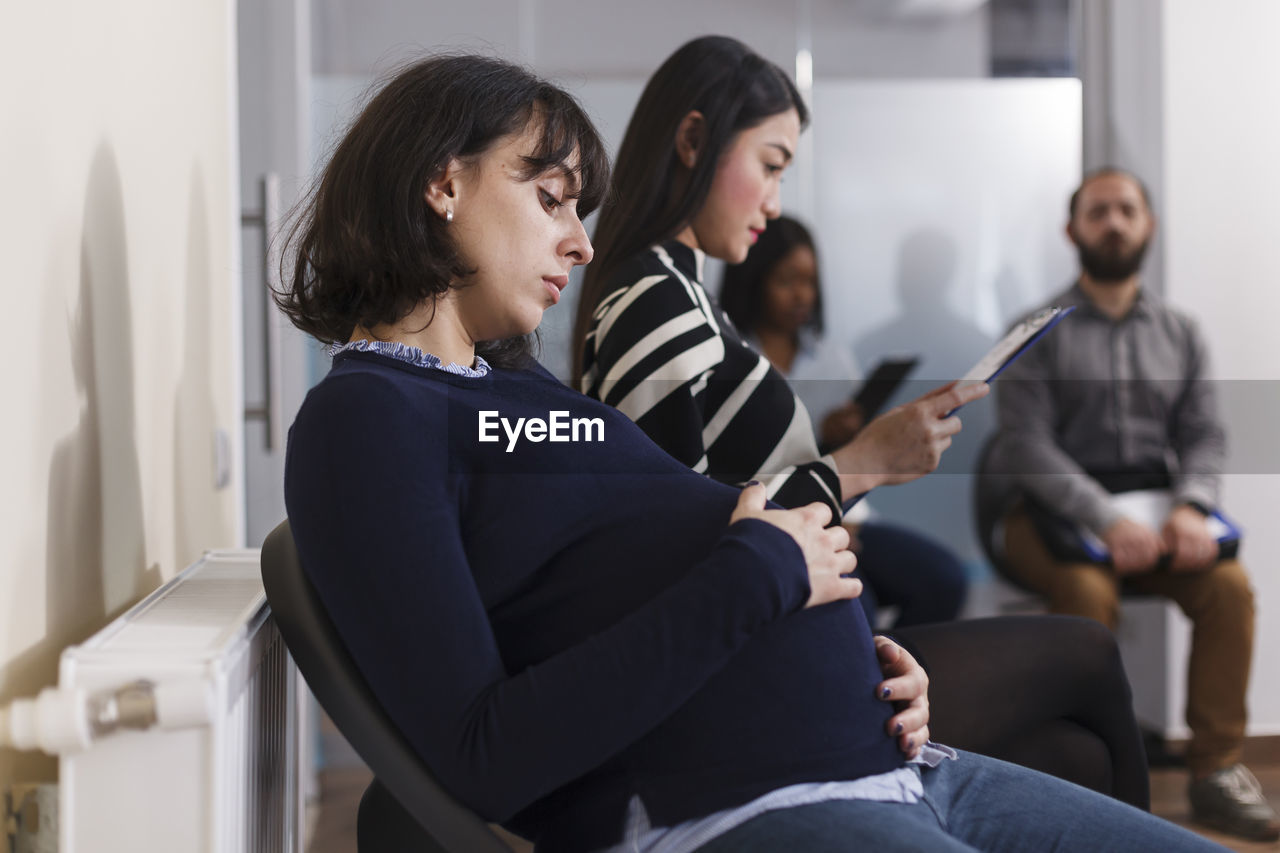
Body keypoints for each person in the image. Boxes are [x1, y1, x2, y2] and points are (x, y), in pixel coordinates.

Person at [278, 54, 1220, 852]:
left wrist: (859, 665)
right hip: (745, 801)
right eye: (551, 196)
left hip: (889, 762)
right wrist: (762, 568)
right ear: (442, 183)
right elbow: (482, 753)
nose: (579, 239)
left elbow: (640, 572)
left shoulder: (511, 394)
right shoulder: (367, 420)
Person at [569, 35, 1150, 808]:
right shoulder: (656, 302)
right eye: (771, 164)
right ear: (693, 141)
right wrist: (860, 464)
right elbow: (681, 551)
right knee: (1086, 655)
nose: (775, 201)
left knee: (1073, 752)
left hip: (796, 650)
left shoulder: (682, 296)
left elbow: (714, 506)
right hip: (760, 687)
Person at [976, 167, 1279, 843]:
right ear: (1072, 230)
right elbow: (1025, 444)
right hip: (1048, 514)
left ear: (1148, 225)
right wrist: (1102, 517)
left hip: (1156, 513)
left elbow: (1205, 434)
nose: (1113, 222)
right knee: (1087, 588)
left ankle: (1216, 770)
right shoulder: (1035, 330)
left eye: (1126, 210)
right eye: (1097, 212)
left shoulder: (1183, 332)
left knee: (1229, 587)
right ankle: (1091, 781)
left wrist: (1193, 507)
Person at [719, 213, 969, 628]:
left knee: (944, 579)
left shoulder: (832, 357)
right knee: (855, 608)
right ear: (754, 281)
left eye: (810, 282)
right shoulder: (730, 359)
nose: (802, 295)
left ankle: (898, 675)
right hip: (778, 517)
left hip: (848, 510)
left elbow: (858, 453)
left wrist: (851, 435)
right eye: (786, 281)